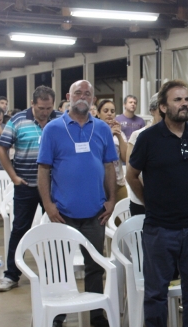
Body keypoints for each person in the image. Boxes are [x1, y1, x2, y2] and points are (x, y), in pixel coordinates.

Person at [126, 79, 188, 327]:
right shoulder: (148, 138)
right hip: (160, 228)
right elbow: (131, 175)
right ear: (163, 107)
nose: (184, 104)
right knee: (156, 294)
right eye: (177, 100)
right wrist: (150, 203)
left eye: (186, 99)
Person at [37, 80, 117, 327]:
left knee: (95, 266)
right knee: (60, 268)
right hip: (63, 213)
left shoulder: (102, 128)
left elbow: (109, 166)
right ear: (68, 96)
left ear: (93, 98)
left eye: (88, 93)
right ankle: (57, 316)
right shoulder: (53, 128)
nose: (83, 97)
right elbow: (43, 170)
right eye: (78, 93)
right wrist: (48, 205)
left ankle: (95, 315)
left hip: (95, 213)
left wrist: (112, 199)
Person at [0, 86, 62, 292]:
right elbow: (2, 148)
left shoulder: (59, 120)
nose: (45, 112)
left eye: (49, 108)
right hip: (26, 186)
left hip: (53, 187)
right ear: (32, 104)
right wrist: (14, 177)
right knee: (20, 229)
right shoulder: (18, 121)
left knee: (55, 228)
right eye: (41, 108)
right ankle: (11, 275)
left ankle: (56, 274)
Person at [126, 93, 162, 216]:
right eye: (160, 109)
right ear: (152, 111)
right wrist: (147, 200)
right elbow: (131, 174)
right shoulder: (138, 135)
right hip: (141, 200)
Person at [97, 99, 128, 203]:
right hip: (101, 183)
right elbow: (97, 155)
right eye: (105, 111)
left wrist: (119, 135)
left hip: (119, 182)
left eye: (112, 111)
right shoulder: (94, 133)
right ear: (98, 113)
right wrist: (109, 135)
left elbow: (125, 158)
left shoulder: (119, 133)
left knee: (121, 216)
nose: (109, 114)